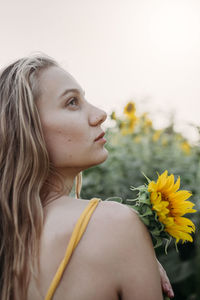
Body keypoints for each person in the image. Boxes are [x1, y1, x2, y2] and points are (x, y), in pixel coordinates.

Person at [0, 54, 174, 300]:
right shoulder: (115, 226)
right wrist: (131, 246)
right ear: (28, 130)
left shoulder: (10, 245)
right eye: (72, 102)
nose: (100, 114)